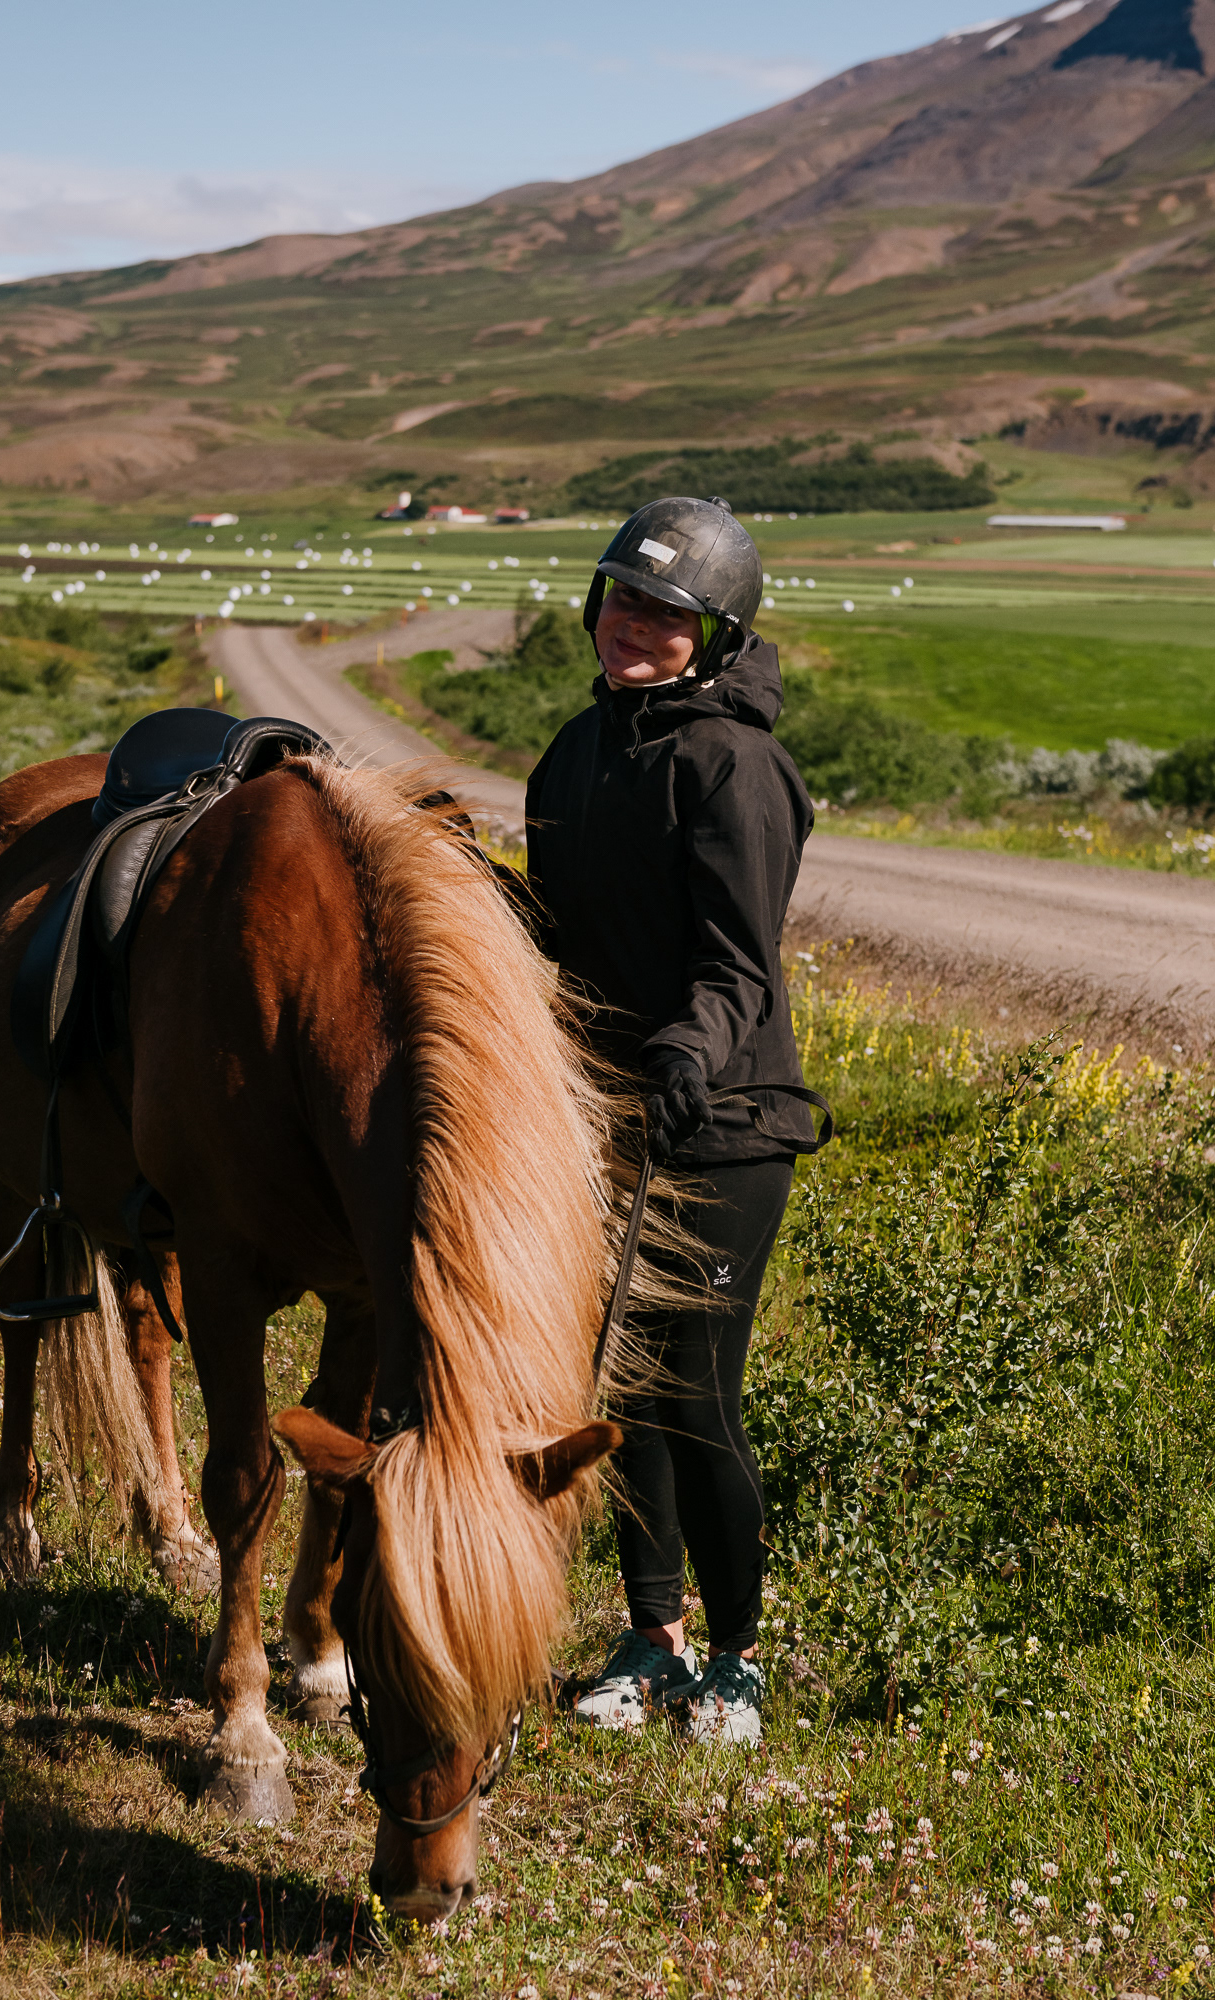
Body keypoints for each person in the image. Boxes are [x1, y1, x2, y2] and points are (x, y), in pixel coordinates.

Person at [525, 496, 818, 1744]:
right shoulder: (571, 755)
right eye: (623, 599)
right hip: (611, 1114)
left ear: (717, 636)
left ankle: (736, 1660)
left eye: (667, 612)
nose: (634, 625)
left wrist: (687, 1051)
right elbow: (561, 933)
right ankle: (653, 1636)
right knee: (624, 1388)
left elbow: (738, 962)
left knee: (695, 1395)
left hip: (725, 1119)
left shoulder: (732, 764)